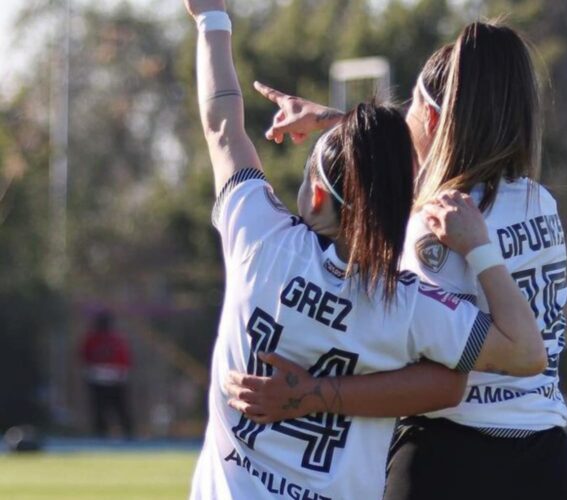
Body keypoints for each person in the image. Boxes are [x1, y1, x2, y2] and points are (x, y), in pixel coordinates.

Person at [182, 1, 546, 498]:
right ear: (403, 203)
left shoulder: (258, 239)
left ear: (313, 195)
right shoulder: (410, 305)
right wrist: (481, 251)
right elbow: (526, 351)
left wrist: (212, 21)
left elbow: (221, 121)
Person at [79, 310, 133, 438]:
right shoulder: (94, 339)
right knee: (102, 409)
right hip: (102, 378)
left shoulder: (113, 339)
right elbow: (85, 356)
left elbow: (124, 358)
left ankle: (126, 433)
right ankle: (102, 434)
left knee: (117, 408)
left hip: (111, 378)